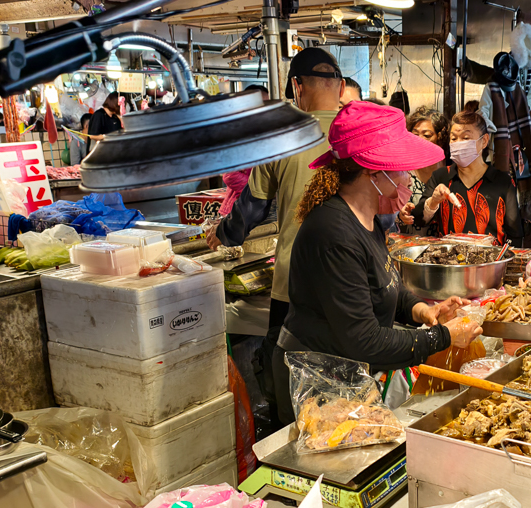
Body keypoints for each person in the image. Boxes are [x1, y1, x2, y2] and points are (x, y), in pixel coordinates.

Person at [272, 101, 483, 425]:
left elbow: (386, 286)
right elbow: (363, 339)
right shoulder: (333, 233)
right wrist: (442, 337)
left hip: (346, 374)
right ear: (373, 171)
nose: (406, 178)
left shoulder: (368, 220)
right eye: (399, 169)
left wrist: (421, 311)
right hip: (316, 383)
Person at [206, 47, 344, 424]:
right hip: (351, 284)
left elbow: (251, 209)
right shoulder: (360, 130)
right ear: (342, 86)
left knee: (292, 384)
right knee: (347, 385)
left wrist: (223, 233)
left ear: (296, 86)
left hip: (293, 286)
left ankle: (290, 454)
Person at [412, 102, 523, 245]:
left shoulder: (502, 182)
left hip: (489, 263)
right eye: (453, 138)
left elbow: (515, 234)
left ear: (484, 141)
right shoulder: (440, 177)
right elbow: (420, 220)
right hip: (449, 262)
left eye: (465, 138)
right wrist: (433, 201)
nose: (458, 143)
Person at [398, 106, 449, 230]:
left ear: (440, 138)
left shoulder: (450, 170)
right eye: (415, 134)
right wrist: (400, 213)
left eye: (427, 135)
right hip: (411, 242)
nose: (419, 140)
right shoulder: (403, 172)